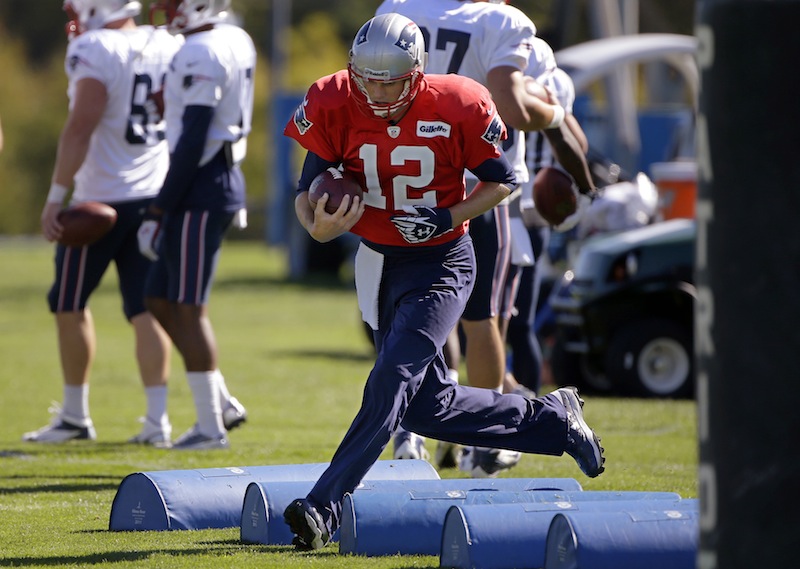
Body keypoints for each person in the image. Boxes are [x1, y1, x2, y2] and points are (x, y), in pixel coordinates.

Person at [282, 13, 605, 551]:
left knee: (390, 379)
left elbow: (504, 180)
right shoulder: (332, 99)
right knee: (426, 406)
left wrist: (447, 216)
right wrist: (315, 225)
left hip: (441, 263)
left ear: (418, 70)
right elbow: (307, 185)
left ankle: (324, 505)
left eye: (392, 79)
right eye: (368, 78)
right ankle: (553, 419)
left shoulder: (460, 102)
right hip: (378, 262)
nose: (379, 90)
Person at [377, 0, 598, 477]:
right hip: (480, 190)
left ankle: (407, 433)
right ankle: (483, 447)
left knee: (410, 315)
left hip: (404, 185)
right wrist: (563, 134)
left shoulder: (399, 7)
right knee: (484, 321)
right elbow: (517, 109)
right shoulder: (503, 24)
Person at [23, 0, 181, 445]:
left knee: (68, 303)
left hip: (100, 198)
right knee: (143, 307)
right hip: (152, 194)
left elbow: (80, 126)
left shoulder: (95, 47)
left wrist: (55, 197)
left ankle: (75, 415)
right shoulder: (164, 42)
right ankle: (157, 422)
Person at [136, 0, 253, 450]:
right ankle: (220, 401)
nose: (166, 8)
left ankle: (209, 428)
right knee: (158, 298)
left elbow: (194, 137)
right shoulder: (234, 37)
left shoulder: (200, 50)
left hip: (201, 182)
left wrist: (159, 208)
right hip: (217, 175)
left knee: (187, 305)